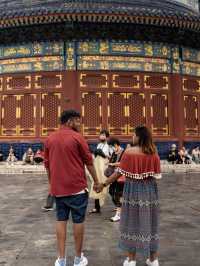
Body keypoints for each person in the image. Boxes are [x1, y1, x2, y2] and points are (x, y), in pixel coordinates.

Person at [44, 109, 100, 266]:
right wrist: (96, 181)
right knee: (78, 220)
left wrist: (52, 184)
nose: (80, 124)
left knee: (60, 220)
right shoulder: (77, 138)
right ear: (69, 121)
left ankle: (61, 259)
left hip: (58, 190)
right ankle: (77, 258)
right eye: (77, 121)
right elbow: (89, 162)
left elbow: (47, 165)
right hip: (77, 188)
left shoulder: (50, 138)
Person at [99, 126, 161, 266]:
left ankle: (131, 260)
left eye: (133, 134)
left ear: (138, 136)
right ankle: (153, 259)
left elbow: (118, 173)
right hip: (150, 192)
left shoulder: (129, 152)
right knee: (150, 223)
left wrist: (103, 184)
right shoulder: (154, 152)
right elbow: (155, 176)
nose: (132, 137)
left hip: (132, 191)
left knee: (130, 223)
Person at [89, 129, 112, 214]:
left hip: (104, 169)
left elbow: (111, 157)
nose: (101, 136)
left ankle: (118, 206)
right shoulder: (98, 145)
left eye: (103, 135)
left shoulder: (109, 146)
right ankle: (96, 207)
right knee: (96, 185)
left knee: (107, 187)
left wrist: (103, 154)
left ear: (107, 137)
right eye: (101, 135)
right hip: (97, 168)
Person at [107, 137, 124, 222]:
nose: (111, 148)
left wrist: (112, 164)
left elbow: (123, 163)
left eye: (111, 146)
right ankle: (120, 208)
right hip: (113, 176)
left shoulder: (123, 152)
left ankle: (118, 214)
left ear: (115, 144)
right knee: (111, 191)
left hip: (120, 176)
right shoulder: (114, 152)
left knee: (117, 194)